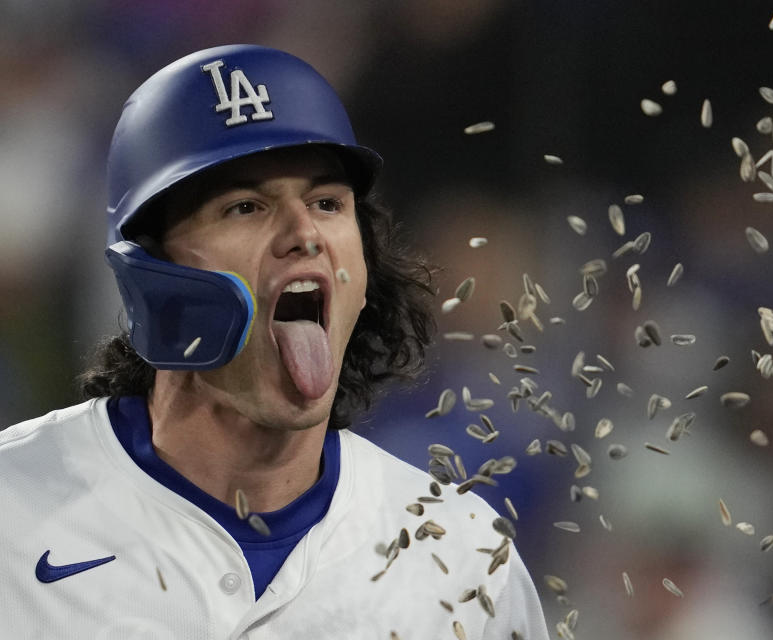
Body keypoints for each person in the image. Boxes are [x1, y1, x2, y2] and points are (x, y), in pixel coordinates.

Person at [0, 44, 548, 639]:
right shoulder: (14, 507)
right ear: (150, 274)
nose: (303, 234)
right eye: (245, 206)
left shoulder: (462, 558)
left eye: (326, 203)